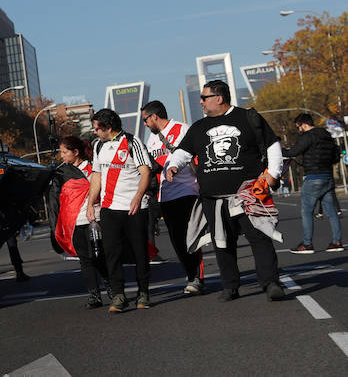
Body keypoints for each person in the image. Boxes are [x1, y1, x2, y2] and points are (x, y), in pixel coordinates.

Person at [166, 80, 286, 302]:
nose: (201, 102)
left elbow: (272, 145)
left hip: (249, 193)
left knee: (259, 237)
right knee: (222, 242)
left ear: (218, 98)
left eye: (204, 97)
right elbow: (183, 151)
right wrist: (173, 165)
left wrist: (273, 174)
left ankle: (271, 283)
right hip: (213, 197)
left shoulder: (248, 118)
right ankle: (230, 286)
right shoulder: (199, 127)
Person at [86, 108, 153, 313]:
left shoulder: (133, 142)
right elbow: (96, 176)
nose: (94, 131)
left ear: (108, 127)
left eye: (97, 128)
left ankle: (143, 292)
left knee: (139, 251)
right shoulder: (98, 146)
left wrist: (138, 197)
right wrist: (91, 203)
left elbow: (145, 172)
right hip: (109, 208)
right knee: (111, 253)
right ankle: (119, 295)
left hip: (134, 208)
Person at [141, 100, 205, 295]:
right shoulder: (151, 140)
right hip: (165, 195)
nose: (144, 124)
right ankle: (190, 274)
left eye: (145, 119)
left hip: (188, 190)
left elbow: (197, 156)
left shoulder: (183, 129)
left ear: (154, 116)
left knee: (192, 236)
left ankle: (197, 278)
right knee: (177, 240)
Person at [54, 135, 110, 308]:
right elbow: (58, 199)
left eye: (64, 152)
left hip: (95, 218)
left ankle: (112, 289)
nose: (62, 156)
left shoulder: (93, 168)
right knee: (85, 260)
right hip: (75, 221)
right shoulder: (61, 173)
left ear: (75, 152)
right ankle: (94, 296)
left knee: (99, 256)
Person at [284, 113, 343, 254]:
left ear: (304, 124)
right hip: (328, 177)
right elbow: (336, 156)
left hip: (313, 177)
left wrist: (280, 151)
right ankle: (337, 242)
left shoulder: (307, 136)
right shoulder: (327, 136)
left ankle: (307, 244)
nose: (299, 130)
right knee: (332, 212)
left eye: (299, 127)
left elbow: (294, 151)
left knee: (306, 211)